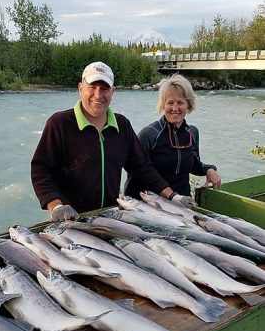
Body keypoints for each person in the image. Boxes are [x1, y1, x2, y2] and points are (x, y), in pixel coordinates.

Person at [31, 61, 191, 222]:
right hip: (70, 220)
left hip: (109, 216)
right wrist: (56, 206)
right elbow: (41, 169)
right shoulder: (60, 123)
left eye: (104, 88)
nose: (98, 95)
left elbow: (142, 168)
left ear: (112, 92)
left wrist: (173, 197)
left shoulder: (122, 125)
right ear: (80, 89)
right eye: (92, 87)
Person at [125, 73, 221, 203]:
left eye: (180, 102)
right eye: (170, 103)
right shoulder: (149, 134)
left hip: (183, 202)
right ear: (163, 105)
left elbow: (193, 164)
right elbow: (137, 172)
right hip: (152, 205)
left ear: (189, 105)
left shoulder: (192, 132)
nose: (175, 108)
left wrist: (209, 169)